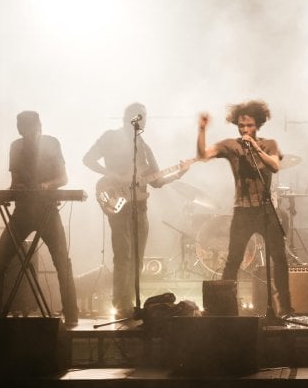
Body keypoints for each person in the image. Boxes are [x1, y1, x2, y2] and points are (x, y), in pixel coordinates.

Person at [83, 102, 189, 318]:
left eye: (146, 117)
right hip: (119, 203)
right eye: (141, 116)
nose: (145, 120)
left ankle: (130, 302)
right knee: (123, 255)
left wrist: (178, 173)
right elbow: (88, 159)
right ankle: (121, 304)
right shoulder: (110, 137)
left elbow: (157, 181)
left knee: (137, 258)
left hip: (140, 207)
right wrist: (110, 174)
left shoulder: (144, 147)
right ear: (130, 118)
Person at [197, 100, 293, 317]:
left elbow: (275, 166)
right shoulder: (231, 145)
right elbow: (203, 155)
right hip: (242, 210)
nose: (244, 130)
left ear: (257, 124)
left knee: (279, 258)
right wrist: (202, 129)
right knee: (233, 260)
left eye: (248, 125)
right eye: (241, 126)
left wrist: (255, 147)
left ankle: (285, 308)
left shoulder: (269, 144)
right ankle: (224, 310)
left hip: (266, 210)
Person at [0, 111, 79, 327]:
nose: (31, 136)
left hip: (47, 211)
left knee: (62, 264)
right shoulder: (16, 146)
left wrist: (46, 186)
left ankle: (72, 316)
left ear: (40, 127)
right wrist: (14, 189)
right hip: (23, 212)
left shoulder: (52, 143)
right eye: (26, 132)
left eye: (34, 131)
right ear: (21, 130)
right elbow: (15, 180)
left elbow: (63, 178)